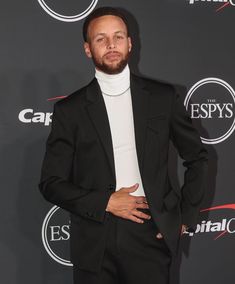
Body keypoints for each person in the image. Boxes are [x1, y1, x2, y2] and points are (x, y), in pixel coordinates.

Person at [39, 6, 208, 284]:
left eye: (118, 37)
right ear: (87, 49)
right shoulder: (70, 110)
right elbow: (51, 183)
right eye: (100, 39)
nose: (111, 45)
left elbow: (198, 158)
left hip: (149, 232)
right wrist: (106, 202)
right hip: (94, 240)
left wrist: (183, 217)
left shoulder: (162, 97)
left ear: (130, 43)